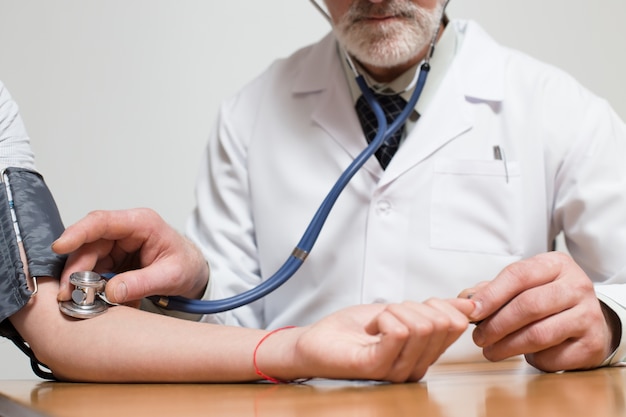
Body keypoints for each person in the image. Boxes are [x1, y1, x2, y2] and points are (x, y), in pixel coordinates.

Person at [56, 0, 626, 374]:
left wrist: (607, 320)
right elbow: (234, 330)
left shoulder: (558, 109)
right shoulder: (248, 115)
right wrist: (196, 283)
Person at [0, 78, 478, 383]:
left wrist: (295, 347)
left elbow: (56, 325)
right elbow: (60, 330)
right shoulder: (248, 110)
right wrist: (293, 346)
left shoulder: (548, 99)